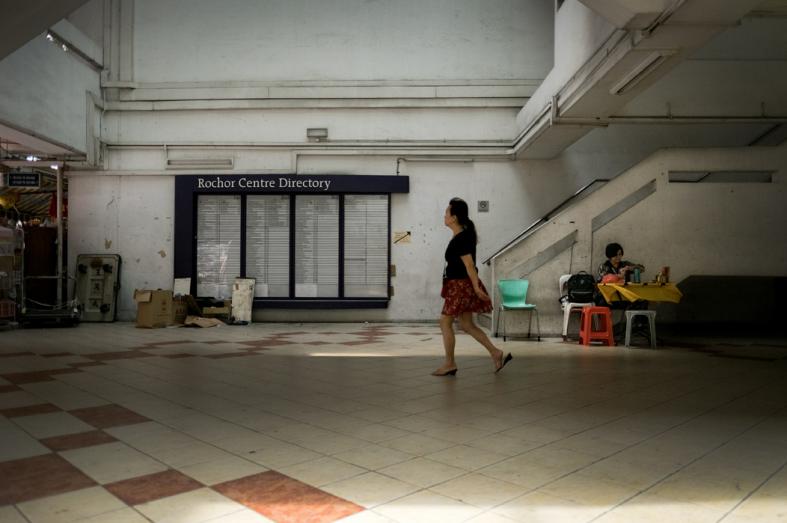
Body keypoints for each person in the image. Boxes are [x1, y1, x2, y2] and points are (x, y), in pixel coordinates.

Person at [432, 197, 512, 376]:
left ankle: (450, 363)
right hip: (459, 284)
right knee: (467, 324)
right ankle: (495, 352)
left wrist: (476, 288)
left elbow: (469, 265)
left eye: (446, 212)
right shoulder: (462, 235)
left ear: (454, 217)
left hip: (460, 285)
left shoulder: (461, 238)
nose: (444, 215)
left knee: (445, 322)